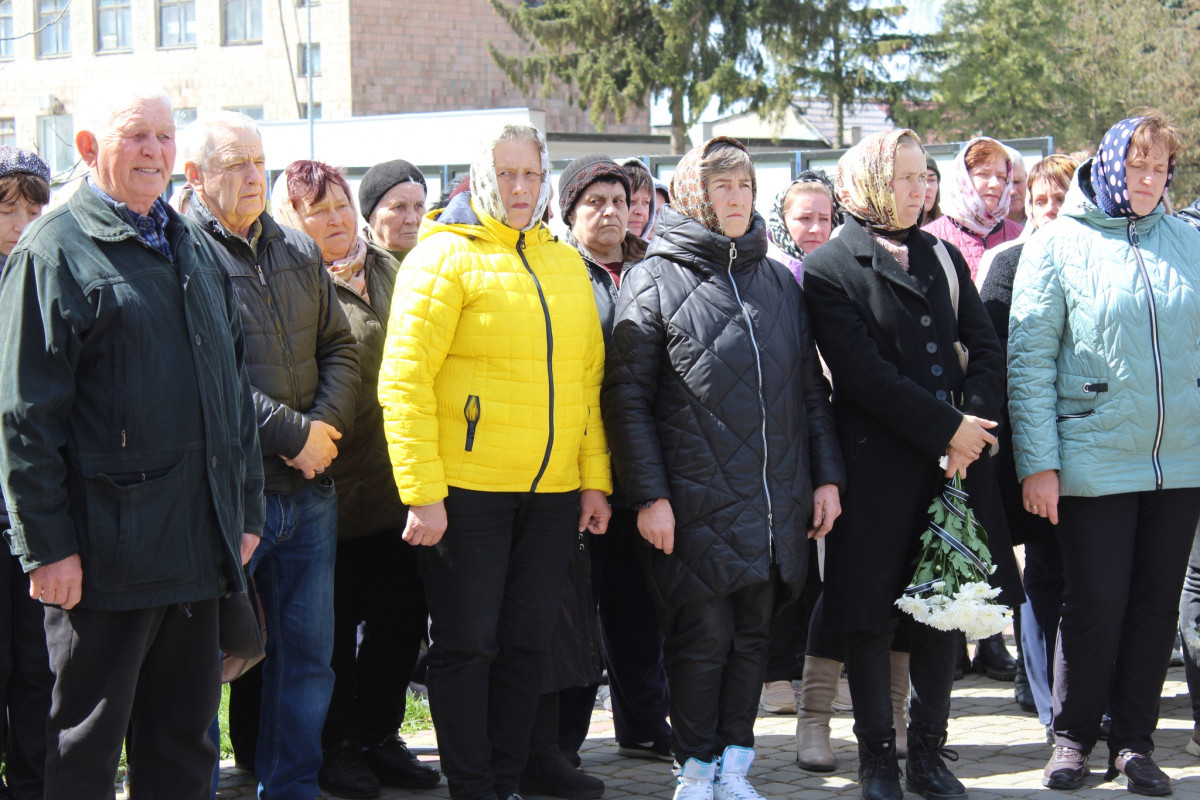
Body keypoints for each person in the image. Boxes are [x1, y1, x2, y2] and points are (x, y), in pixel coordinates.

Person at [0, 85, 264, 800]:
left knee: (184, 746)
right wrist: (48, 547)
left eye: (164, 136)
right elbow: (27, 418)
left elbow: (232, 396)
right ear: (88, 149)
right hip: (103, 561)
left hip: (194, 552)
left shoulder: (190, 246)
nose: (155, 150)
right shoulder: (53, 252)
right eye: (135, 135)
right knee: (86, 750)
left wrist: (243, 514)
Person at [602, 136, 845, 800]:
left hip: (774, 500)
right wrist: (648, 495)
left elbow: (809, 391)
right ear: (692, 196)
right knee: (701, 637)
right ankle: (696, 768)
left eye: (744, 187)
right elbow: (627, 402)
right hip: (692, 500)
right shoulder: (655, 277)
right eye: (722, 187)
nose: (735, 200)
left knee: (754, 639)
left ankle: (736, 768)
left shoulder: (776, 281)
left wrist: (826, 478)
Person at [378, 122, 612, 800]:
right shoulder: (441, 257)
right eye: (506, 174)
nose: (519, 187)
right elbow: (404, 382)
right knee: (468, 646)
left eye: (531, 176)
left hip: (550, 494)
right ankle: (473, 784)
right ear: (480, 177)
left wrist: (594, 480)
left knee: (527, 645)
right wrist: (423, 492)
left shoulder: (564, 262)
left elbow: (586, 386)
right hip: (466, 491)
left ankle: (508, 779)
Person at [803, 129, 1019, 800]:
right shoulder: (830, 267)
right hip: (876, 473)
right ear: (868, 182)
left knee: (943, 610)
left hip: (954, 470)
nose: (918, 189)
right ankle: (876, 762)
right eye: (902, 178)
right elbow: (863, 375)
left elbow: (984, 347)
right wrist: (948, 428)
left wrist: (973, 428)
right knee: (869, 618)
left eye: (923, 176)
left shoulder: (944, 255)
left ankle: (927, 755)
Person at [1008, 111, 1200, 796]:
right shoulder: (1059, 242)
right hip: (1091, 457)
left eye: (1160, 168)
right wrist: (1038, 463)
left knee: (1154, 604)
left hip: (1179, 461)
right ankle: (1071, 738)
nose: (1148, 180)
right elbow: (1028, 360)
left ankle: (1134, 743)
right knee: (1095, 601)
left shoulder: (1189, 242)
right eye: (1137, 165)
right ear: (1113, 166)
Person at [182, 111, 360, 800]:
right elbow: (208, 382)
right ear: (195, 176)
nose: (253, 173)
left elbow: (340, 348)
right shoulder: (183, 255)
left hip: (309, 495)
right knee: (204, 660)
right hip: (229, 498)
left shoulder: (297, 249)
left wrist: (322, 432)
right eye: (233, 162)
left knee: (309, 660)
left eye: (258, 159)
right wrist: (296, 437)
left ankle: (292, 788)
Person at [273, 160, 441, 798]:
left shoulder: (396, 271)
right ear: (293, 219)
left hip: (400, 486)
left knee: (400, 625)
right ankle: (338, 743)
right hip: (329, 491)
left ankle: (380, 735)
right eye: (319, 212)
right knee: (332, 634)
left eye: (341, 206)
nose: (336, 221)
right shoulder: (294, 281)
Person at [557, 154, 674, 772]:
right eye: (594, 202)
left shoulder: (653, 269)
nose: (609, 213)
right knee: (577, 609)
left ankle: (645, 725)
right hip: (577, 469)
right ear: (571, 211)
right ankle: (565, 742)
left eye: (620, 200)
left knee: (638, 607)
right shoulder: (559, 270)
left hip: (644, 467)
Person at [978, 153, 1078, 726]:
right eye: (1039, 200)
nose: (1049, 210)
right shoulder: (1008, 262)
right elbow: (992, 357)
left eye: (1059, 198)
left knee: (1087, 575)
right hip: (1027, 450)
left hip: (1094, 448)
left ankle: (1087, 695)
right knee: (1042, 570)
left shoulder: (1098, 258)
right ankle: (1047, 699)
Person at [0, 146, 54, 800]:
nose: (21, 221)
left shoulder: (47, 278)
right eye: (7, 208)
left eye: (33, 207)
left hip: (36, 516)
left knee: (41, 669)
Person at [922, 137, 1024, 280]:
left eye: (1001, 177)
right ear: (963, 179)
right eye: (983, 174)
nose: (995, 184)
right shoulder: (929, 238)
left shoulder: (1021, 237)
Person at [764, 170, 835, 285]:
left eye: (824, 219)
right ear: (781, 221)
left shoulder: (844, 277)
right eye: (805, 218)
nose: (816, 228)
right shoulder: (761, 276)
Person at [358, 159, 427, 264]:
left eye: (418, 206)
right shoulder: (351, 270)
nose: (412, 219)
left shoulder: (443, 261)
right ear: (371, 215)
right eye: (399, 207)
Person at [619, 157, 656, 240]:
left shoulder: (655, 251)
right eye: (631, 201)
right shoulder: (593, 252)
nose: (640, 211)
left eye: (646, 202)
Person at [1006, 146, 1028, 225]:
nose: (1013, 191)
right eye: (1006, 183)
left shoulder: (1044, 222)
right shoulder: (982, 230)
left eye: (1017, 182)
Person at [923, 155, 942, 224]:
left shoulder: (949, 229)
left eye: (932, 180)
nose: (927, 187)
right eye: (921, 179)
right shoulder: (890, 232)